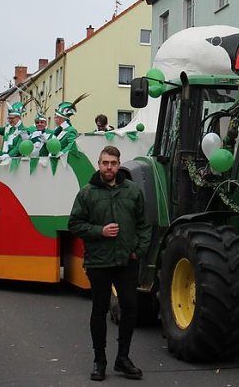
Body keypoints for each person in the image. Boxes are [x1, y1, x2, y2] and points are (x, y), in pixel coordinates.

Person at [67, 146, 150, 381]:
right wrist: (99, 231)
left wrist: (139, 250)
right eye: (105, 163)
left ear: (119, 164)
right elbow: (74, 224)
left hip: (126, 260)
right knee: (100, 310)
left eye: (113, 163)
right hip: (99, 261)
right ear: (99, 164)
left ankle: (123, 358)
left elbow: (144, 223)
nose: (109, 167)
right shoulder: (87, 193)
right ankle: (99, 360)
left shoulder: (132, 191)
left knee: (130, 306)